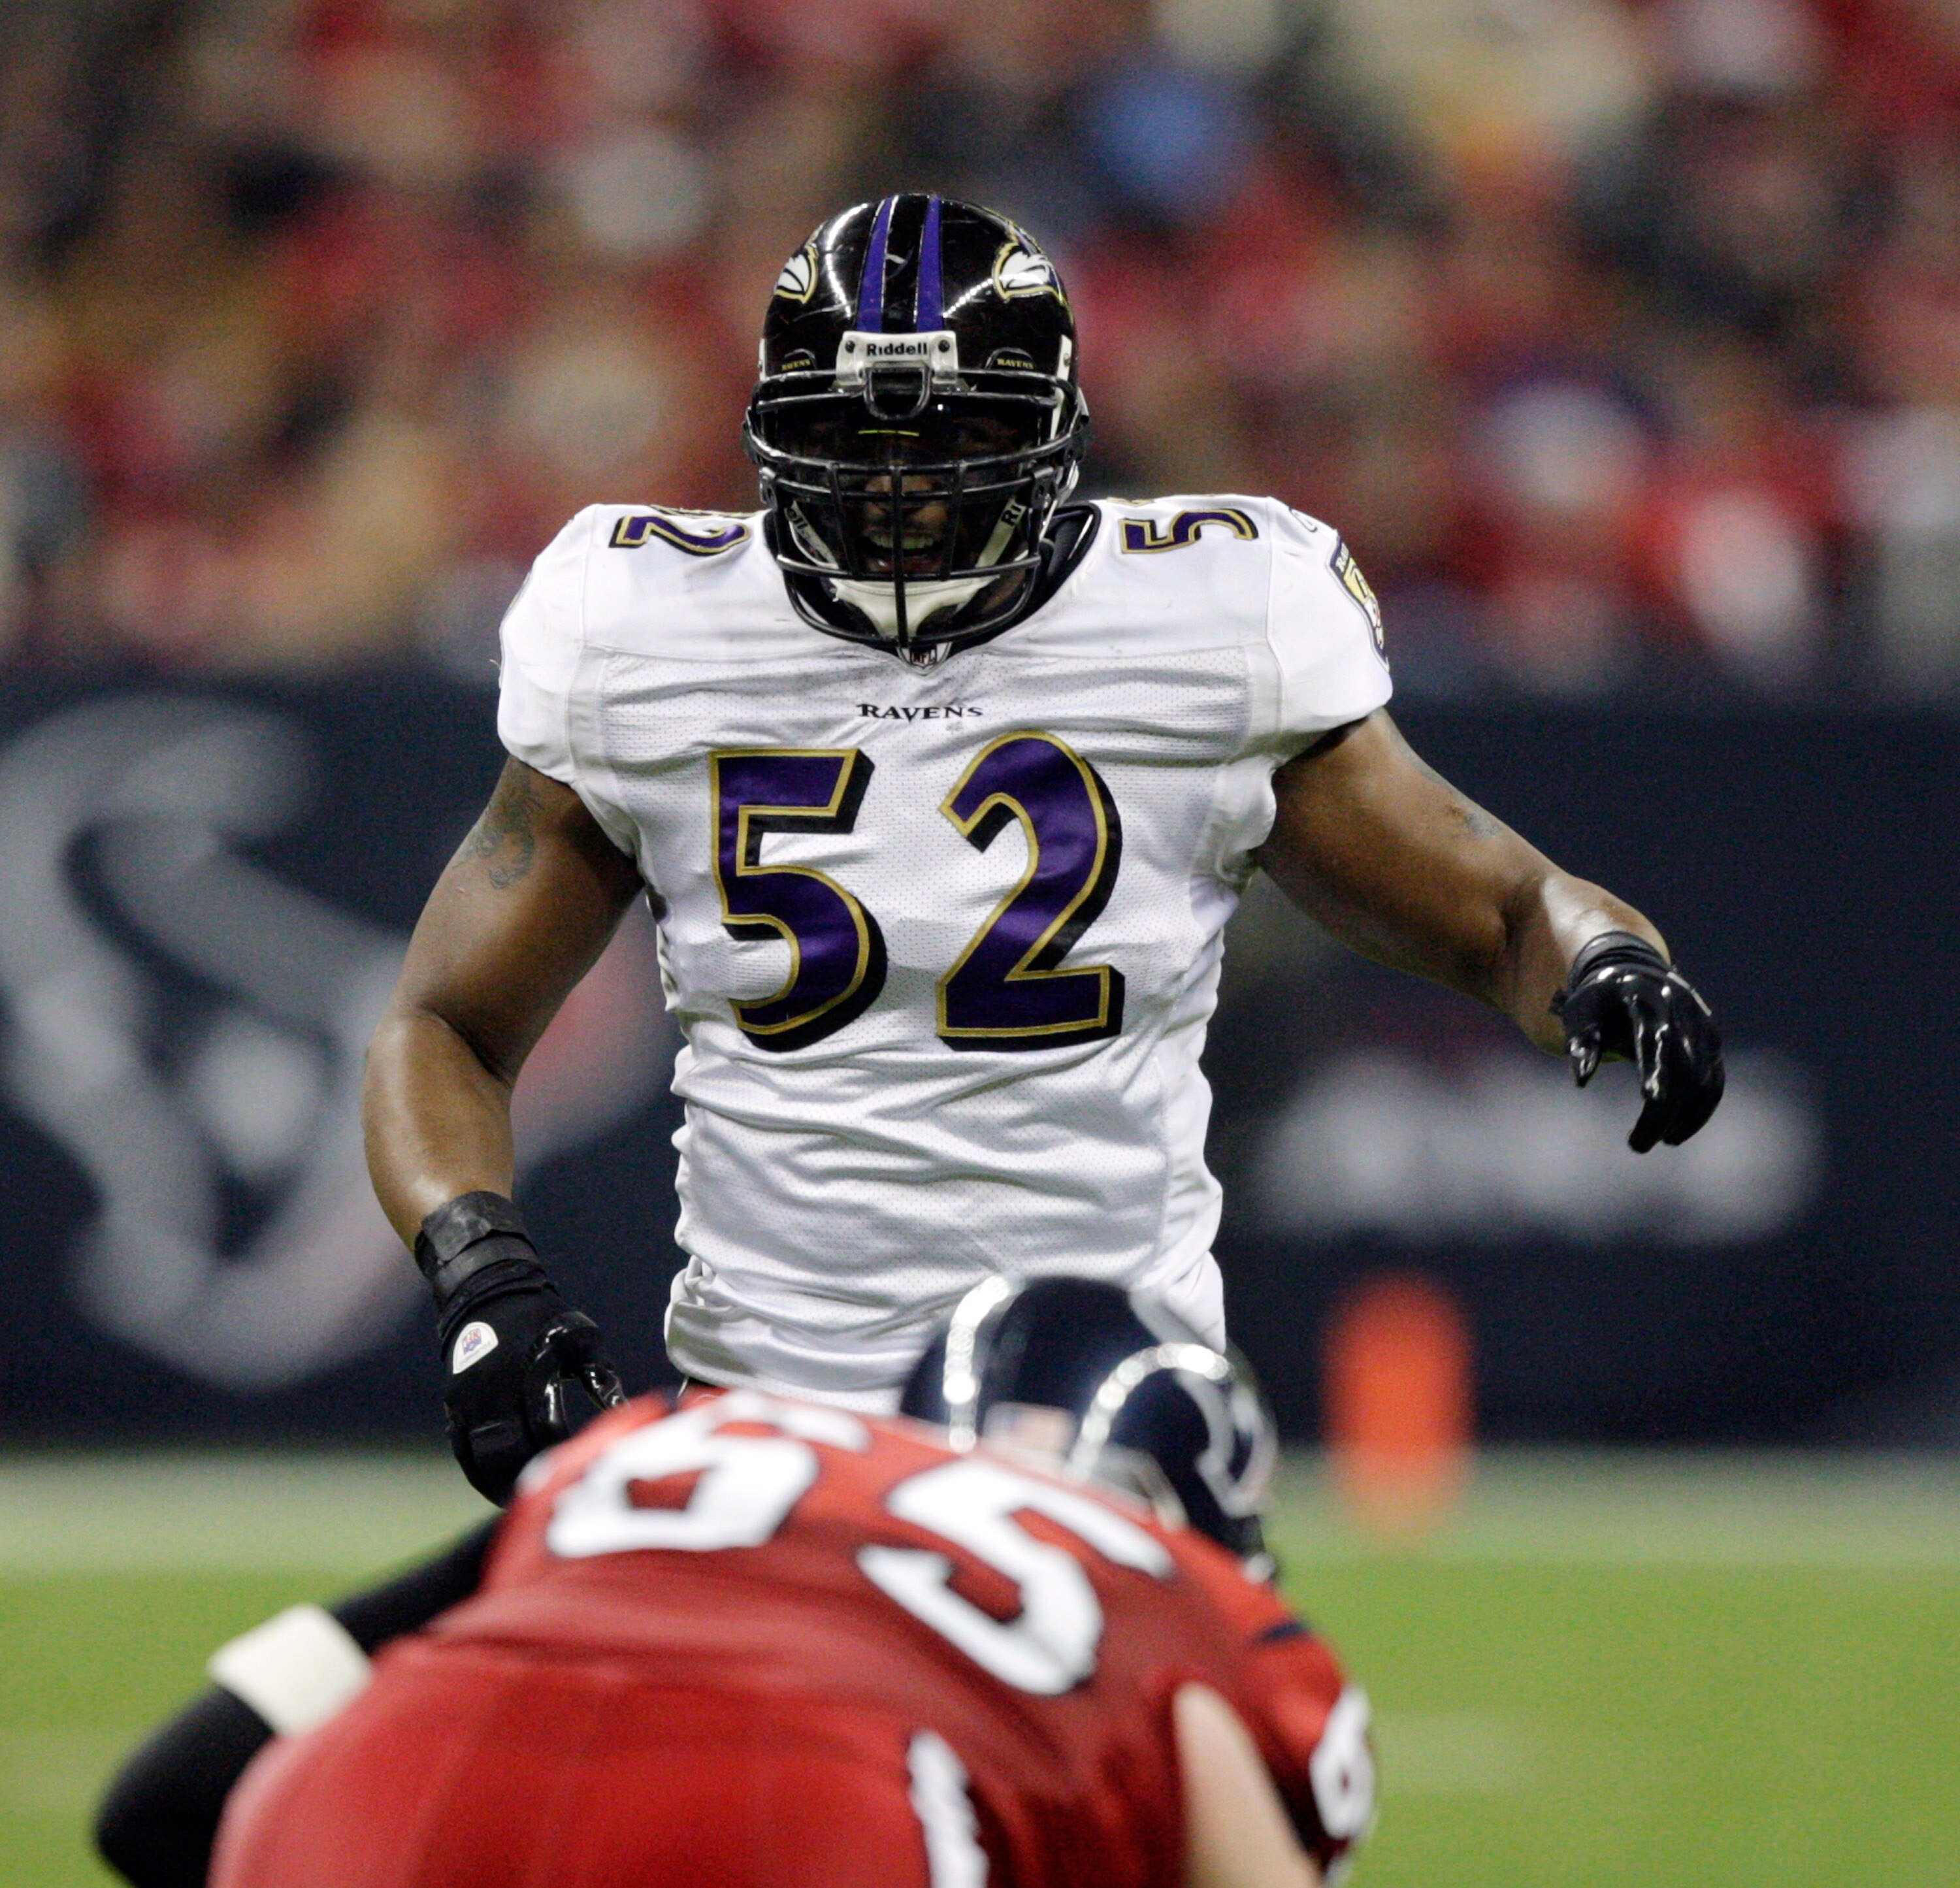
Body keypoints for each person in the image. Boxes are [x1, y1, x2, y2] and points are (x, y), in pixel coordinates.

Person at [361, 193, 1726, 1504]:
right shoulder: (641, 625)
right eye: (855, 436)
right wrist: (488, 1282)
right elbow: (444, 1022)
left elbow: (1496, 907)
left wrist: (1603, 953)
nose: (897, 486)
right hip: (771, 1416)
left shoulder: (1209, 613)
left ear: (1057, 431)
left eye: (948, 438)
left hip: (1111, 1409)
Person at [99, 1279, 1373, 1888]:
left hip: (360, 1788)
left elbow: (160, 1802)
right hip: (807, 1817)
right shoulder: (1162, 1591)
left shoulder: (675, 1451)